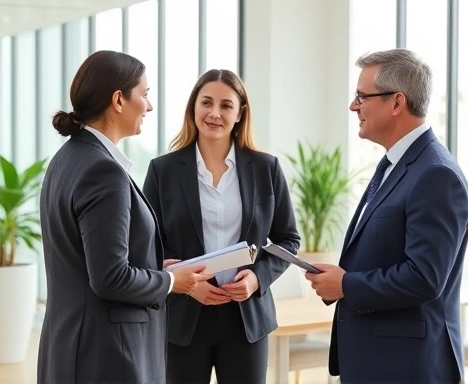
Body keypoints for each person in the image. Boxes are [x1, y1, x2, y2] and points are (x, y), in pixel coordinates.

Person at [37, 50, 212, 384]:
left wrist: (153, 268)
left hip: (70, 345)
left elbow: (88, 260)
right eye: (144, 95)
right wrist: (174, 281)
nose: (149, 106)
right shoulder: (104, 171)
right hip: (107, 355)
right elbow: (110, 278)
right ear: (118, 100)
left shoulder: (66, 159)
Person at [305, 49, 468, 384]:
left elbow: (425, 277)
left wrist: (346, 284)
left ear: (397, 103)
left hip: (407, 366)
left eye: (361, 97)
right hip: (379, 360)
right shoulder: (396, 164)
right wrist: (339, 281)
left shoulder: (435, 174)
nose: (354, 106)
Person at [143, 68, 300, 384]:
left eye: (226, 105)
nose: (214, 113)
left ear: (240, 113)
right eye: (206, 103)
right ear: (194, 108)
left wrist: (256, 279)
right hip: (184, 316)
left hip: (245, 318)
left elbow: (288, 239)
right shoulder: (164, 170)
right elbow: (147, 243)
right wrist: (186, 283)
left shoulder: (266, 168)